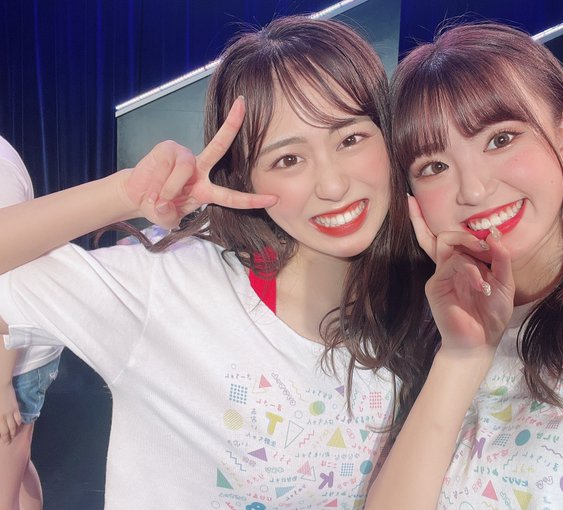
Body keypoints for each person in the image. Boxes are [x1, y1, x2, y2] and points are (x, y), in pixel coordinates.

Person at [0, 17, 433, 509]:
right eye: (288, 160)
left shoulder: (419, 310)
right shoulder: (174, 290)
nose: (332, 185)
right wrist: (126, 193)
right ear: (246, 177)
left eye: (350, 139)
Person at [366, 22, 563, 510]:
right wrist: (462, 356)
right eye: (434, 167)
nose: (473, 190)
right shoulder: (428, 334)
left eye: (500, 139)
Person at [0, 135, 62, 510]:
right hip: (13, 347)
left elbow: (9, 281)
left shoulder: (1, 169)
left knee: (4, 484)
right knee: (17, 463)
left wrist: (2, 383)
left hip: (16, 355)